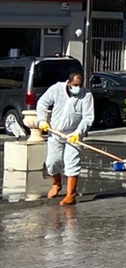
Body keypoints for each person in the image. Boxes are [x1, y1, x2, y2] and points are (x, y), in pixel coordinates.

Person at [36, 71, 95, 206]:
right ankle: (56, 184)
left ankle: (71, 196)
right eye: (75, 85)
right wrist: (42, 120)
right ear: (68, 83)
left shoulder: (86, 96)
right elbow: (42, 103)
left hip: (73, 135)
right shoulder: (56, 89)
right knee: (52, 162)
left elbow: (88, 117)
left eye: (80, 85)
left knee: (72, 163)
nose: (77, 88)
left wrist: (78, 132)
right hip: (55, 132)